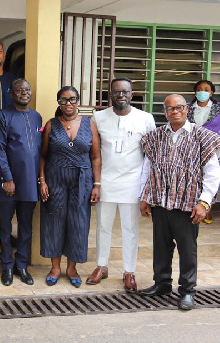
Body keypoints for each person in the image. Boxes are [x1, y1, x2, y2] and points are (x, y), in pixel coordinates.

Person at [139, 94, 220, 311]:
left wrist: (204, 203)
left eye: (179, 107)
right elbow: (147, 168)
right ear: (164, 112)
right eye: (170, 108)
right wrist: (144, 197)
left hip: (188, 206)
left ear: (186, 110)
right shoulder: (155, 136)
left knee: (187, 250)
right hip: (161, 204)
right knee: (161, 248)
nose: (175, 111)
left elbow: (213, 173)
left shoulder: (203, 137)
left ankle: (187, 291)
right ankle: (162, 284)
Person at [85, 78, 156, 292]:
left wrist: (147, 189)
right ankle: (102, 266)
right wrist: (95, 183)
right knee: (103, 227)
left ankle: (129, 271)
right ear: (110, 95)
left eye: (125, 92)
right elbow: (94, 153)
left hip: (133, 182)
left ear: (132, 95)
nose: (121, 95)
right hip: (105, 180)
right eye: (116, 92)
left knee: (130, 229)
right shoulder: (98, 118)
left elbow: (151, 156)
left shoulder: (145, 118)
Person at [39, 86, 101, 288]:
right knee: (53, 220)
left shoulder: (89, 124)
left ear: (78, 101)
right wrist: (42, 180)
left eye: (72, 99)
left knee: (78, 222)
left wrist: (97, 185)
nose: (68, 103)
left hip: (81, 179)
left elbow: (96, 156)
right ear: (58, 102)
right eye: (64, 100)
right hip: (55, 176)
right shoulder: (51, 125)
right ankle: (55, 268)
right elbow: (43, 155)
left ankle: (71, 268)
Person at [0, 78, 42, 286]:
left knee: (25, 226)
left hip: (30, 182)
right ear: (11, 94)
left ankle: (21, 265)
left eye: (27, 90)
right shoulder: (3, 116)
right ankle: (6, 266)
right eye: (19, 90)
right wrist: (7, 178)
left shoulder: (37, 117)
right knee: (5, 227)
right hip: (9, 182)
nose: (24, 93)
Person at [187, 79, 220, 224]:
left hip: (213, 149)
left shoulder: (218, 109)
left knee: (211, 176)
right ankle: (193, 205)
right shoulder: (187, 108)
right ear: (195, 92)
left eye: (206, 90)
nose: (203, 92)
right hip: (190, 148)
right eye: (199, 89)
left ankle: (208, 206)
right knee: (193, 176)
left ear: (211, 92)